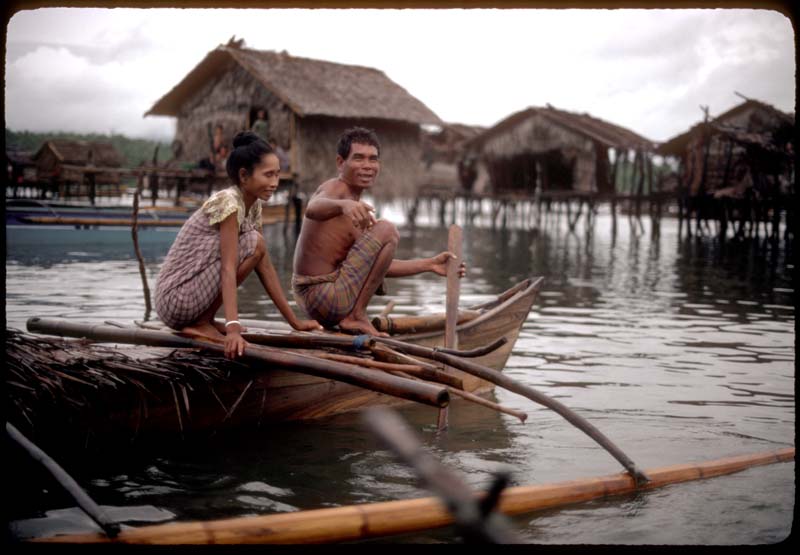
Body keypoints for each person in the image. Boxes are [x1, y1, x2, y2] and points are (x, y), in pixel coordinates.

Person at [155, 131, 322, 359]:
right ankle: (201, 322)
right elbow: (228, 267)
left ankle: (206, 319)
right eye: (268, 175)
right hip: (175, 300)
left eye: (277, 175)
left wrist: (295, 321)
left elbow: (265, 265)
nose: (275, 183)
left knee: (256, 243)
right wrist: (233, 328)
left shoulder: (253, 206)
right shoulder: (229, 202)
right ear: (244, 176)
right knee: (254, 241)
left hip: (189, 299)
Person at [292, 127, 466, 337]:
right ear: (340, 162)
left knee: (381, 231)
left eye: (373, 159)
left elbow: (377, 266)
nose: (367, 166)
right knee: (386, 229)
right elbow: (312, 208)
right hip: (321, 295)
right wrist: (343, 205)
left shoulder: (358, 212)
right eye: (358, 158)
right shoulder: (335, 190)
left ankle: (355, 316)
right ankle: (356, 316)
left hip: (321, 303)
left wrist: (429, 264)